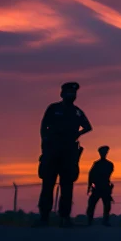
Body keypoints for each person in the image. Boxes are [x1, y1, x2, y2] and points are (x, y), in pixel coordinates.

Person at [36, 82, 92, 227]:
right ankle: (44, 217)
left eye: (73, 93)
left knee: (67, 186)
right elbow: (43, 126)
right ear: (62, 94)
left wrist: (77, 134)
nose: (71, 95)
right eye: (68, 93)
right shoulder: (53, 108)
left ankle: (65, 217)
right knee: (47, 184)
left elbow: (88, 127)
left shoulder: (77, 112)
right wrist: (45, 142)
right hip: (52, 151)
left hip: (68, 153)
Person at [86, 145, 114, 226]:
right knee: (92, 204)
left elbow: (93, 175)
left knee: (106, 205)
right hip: (98, 187)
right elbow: (91, 175)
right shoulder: (99, 164)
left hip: (103, 186)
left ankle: (104, 221)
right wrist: (90, 185)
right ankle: (90, 220)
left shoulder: (107, 164)